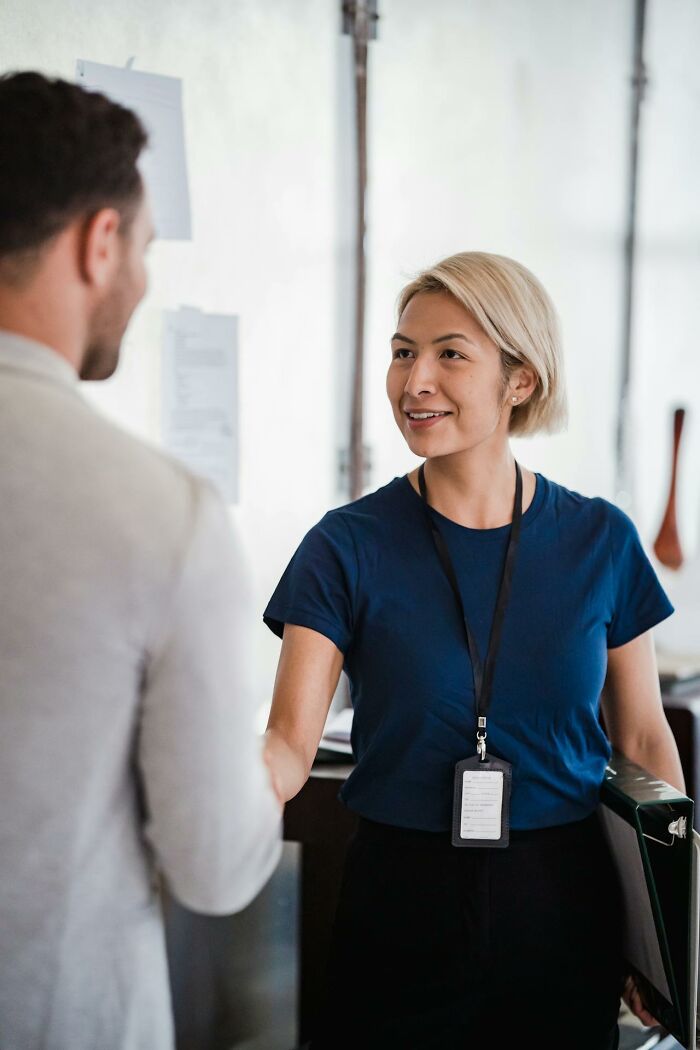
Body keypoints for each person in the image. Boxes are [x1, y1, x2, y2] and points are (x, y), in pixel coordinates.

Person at [262, 250, 684, 1049]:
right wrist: (210, 799)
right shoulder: (343, 546)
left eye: (450, 353)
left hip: (563, 896)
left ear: (519, 380)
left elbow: (642, 740)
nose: (414, 379)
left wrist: (663, 940)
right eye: (401, 351)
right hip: (399, 898)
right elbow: (288, 743)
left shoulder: (601, 541)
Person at [0, 72, 281, 1050]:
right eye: (150, 248)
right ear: (100, 240)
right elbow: (213, 864)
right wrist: (268, 767)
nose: (147, 281)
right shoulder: (161, 515)